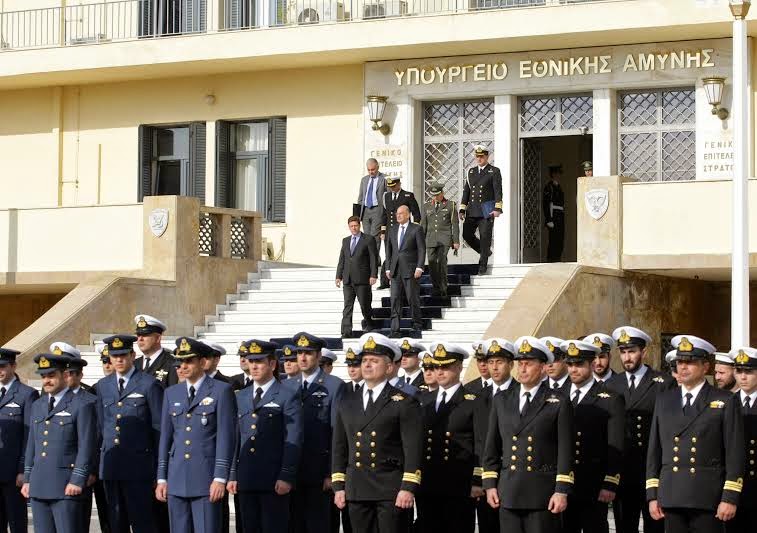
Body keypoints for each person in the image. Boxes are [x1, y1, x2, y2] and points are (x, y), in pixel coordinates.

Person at [646, 335, 744, 533]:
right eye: (680, 362)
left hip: (707, 497)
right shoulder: (664, 399)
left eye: (690, 362)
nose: (683, 367)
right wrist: (652, 495)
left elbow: (734, 452)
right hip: (672, 494)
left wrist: (730, 497)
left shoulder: (724, 400)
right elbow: (654, 450)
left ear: (705, 367)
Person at [331, 333, 423, 533]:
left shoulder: (404, 401)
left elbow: (413, 448)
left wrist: (408, 487)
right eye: (364, 360)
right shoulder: (347, 401)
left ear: (389, 367)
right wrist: (338, 486)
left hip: (390, 488)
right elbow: (339, 446)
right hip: (357, 487)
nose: (367, 365)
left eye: (374, 360)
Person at [482, 336, 574, 533]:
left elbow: (566, 451)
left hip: (542, 493)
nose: (522, 369)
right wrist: (489, 484)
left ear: (542, 368)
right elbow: (492, 446)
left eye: (529, 364)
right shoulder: (502, 399)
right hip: (508, 490)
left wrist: (561, 491)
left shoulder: (558, 401)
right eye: (520, 364)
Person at [156, 337, 237, 533]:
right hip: (176, 478)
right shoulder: (172, 393)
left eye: (189, 361)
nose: (183, 366)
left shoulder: (221, 390)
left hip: (205, 478)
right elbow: (166, 438)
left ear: (202, 362)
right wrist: (161, 478)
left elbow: (226, 437)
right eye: (180, 361)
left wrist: (219, 477)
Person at [228, 339, 303, 533]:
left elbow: (293, 438)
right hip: (246, 478)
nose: (253, 366)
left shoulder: (287, 395)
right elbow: (236, 437)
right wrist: (233, 474)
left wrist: (286, 475)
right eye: (250, 361)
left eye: (259, 361)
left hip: (273, 478)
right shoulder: (240, 396)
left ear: (272, 364)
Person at [605, 326, 673, 533]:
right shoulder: (611, 384)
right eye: (623, 352)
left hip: (651, 467)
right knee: (625, 524)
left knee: (656, 525)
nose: (627, 357)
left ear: (644, 352)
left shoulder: (663, 382)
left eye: (632, 351)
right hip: (623, 470)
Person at [22, 353, 97, 533]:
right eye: (43, 376)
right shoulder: (38, 405)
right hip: (39, 484)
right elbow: (32, 443)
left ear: (65, 375)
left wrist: (77, 479)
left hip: (65, 485)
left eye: (51, 375)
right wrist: (27, 478)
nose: (46, 380)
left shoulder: (81, 404)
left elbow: (86, 445)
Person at [96, 334, 164, 533]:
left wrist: (159, 471)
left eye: (123, 355)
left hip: (139, 468)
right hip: (111, 467)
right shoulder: (103, 385)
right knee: (116, 523)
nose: (119, 360)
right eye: (114, 355)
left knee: (144, 522)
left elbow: (158, 428)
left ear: (133, 355)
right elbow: (102, 426)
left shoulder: (148, 384)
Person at [560, 340, 624, 533]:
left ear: (591, 364)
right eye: (570, 364)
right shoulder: (557, 395)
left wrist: (610, 483)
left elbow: (615, 443)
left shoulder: (610, 398)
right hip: (563, 482)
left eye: (579, 364)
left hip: (593, 482)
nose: (573, 370)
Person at [284, 332, 345, 533]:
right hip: (292, 471)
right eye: (299, 352)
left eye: (308, 353)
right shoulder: (286, 385)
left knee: (318, 525)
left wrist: (332, 473)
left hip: (319, 472)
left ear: (318, 356)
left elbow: (337, 433)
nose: (302, 357)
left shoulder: (334, 385)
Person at [417, 342, 479, 533]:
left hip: (458, 481)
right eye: (436, 367)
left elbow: (481, 442)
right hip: (428, 481)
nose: (440, 372)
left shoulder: (474, 401)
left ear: (459, 367)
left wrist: (477, 480)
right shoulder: (424, 400)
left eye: (446, 366)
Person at [474, 339, 517, 533]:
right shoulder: (478, 395)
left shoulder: (521, 393)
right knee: (487, 525)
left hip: (514, 473)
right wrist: (479, 477)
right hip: (487, 474)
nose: (494, 367)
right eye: (490, 362)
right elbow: (476, 438)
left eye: (499, 362)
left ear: (510, 364)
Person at [0, 348, 39, 533]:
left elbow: (29, 436)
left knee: (17, 524)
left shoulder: (26, 394)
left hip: (13, 473)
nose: (0, 370)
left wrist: (23, 470)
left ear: (13, 366)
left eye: (3, 366)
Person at [459, 145, 503, 275]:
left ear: (487, 156)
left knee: (485, 237)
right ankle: (485, 252)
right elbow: (466, 191)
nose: (479, 159)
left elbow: (498, 191)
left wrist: (498, 208)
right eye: (477, 156)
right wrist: (462, 208)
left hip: (486, 209)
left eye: (481, 156)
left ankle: (482, 264)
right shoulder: (471, 172)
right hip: (472, 209)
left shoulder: (493, 171)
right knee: (466, 234)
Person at [385, 204, 425, 337]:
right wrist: (387, 268)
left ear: (408, 214)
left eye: (401, 213)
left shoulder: (416, 229)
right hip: (395, 270)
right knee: (395, 299)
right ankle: (395, 329)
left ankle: (416, 324)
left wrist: (420, 266)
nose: (398, 215)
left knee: (412, 298)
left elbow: (421, 249)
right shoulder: (392, 229)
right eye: (397, 213)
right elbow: (389, 251)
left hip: (410, 269)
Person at [336, 215, 378, 338]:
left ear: (359, 226)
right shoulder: (346, 241)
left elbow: (373, 259)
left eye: (355, 226)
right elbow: (342, 259)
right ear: (348, 227)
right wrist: (338, 276)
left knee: (365, 304)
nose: (353, 228)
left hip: (363, 279)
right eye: (351, 226)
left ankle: (369, 323)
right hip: (348, 279)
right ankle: (346, 331)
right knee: (347, 307)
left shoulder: (368, 239)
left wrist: (373, 275)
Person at [730, 346, 757, 533]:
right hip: (734, 488)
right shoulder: (726, 402)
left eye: (749, 372)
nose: (743, 377)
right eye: (739, 371)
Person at [379, 176, 422, 289]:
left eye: (394, 186)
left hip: (404, 232)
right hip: (390, 231)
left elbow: (416, 213)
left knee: (402, 254)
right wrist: (383, 230)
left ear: (399, 184)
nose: (392, 189)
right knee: (389, 254)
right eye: (390, 187)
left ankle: (402, 277)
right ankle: (384, 281)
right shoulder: (386, 196)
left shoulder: (407, 195)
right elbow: (385, 214)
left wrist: (415, 230)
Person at [421, 181, 460, 296]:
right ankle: (436, 287)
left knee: (442, 261)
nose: (435, 197)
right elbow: (423, 225)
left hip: (445, 239)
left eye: (437, 194)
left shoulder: (450, 205)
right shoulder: (426, 206)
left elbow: (455, 224)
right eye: (433, 195)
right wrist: (420, 242)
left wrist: (456, 241)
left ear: (442, 193)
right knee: (432, 263)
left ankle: (443, 288)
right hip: (430, 239)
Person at [134, 314, 178, 387]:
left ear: (158, 338)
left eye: (145, 335)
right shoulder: (134, 364)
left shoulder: (172, 364)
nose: (140, 339)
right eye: (138, 335)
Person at [356, 158, 387, 251]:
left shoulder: (384, 179)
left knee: (374, 235)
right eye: (369, 170)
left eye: (373, 169)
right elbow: (361, 197)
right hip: (365, 210)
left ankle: (375, 258)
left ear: (377, 167)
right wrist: (358, 213)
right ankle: (369, 258)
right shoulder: (364, 180)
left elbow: (388, 196)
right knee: (366, 235)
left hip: (377, 210)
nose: (371, 172)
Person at [543, 165, 565, 263]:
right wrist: (548, 219)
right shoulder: (549, 187)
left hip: (560, 214)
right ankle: (552, 259)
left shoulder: (558, 186)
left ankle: (558, 257)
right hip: (553, 215)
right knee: (553, 239)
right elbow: (546, 204)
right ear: (553, 175)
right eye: (557, 173)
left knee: (560, 237)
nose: (559, 176)